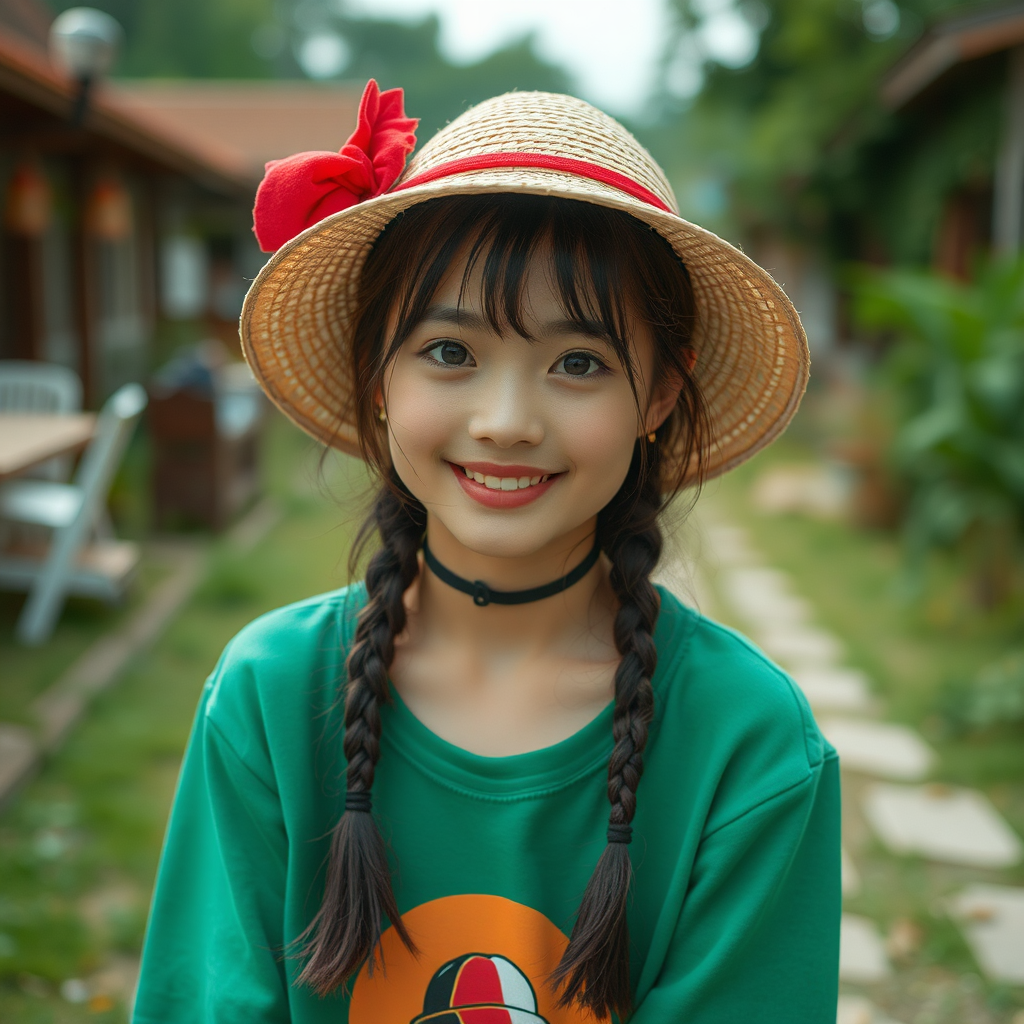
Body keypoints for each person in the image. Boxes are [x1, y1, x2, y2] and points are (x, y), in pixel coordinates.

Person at [133, 81, 840, 1024]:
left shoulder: (748, 746)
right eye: (450, 353)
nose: (506, 422)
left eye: (578, 364)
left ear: (659, 400)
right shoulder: (269, 695)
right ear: (377, 377)